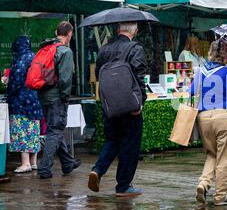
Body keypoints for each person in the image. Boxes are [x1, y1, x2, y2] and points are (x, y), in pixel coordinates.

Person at [88, 22, 147, 198]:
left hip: (110, 105)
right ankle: (123, 185)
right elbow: (139, 75)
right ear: (135, 31)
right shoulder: (135, 48)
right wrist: (140, 101)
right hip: (130, 105)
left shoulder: (104, 49)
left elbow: (98, 75)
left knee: (112, 140)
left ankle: (97, 170)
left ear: (117, 30)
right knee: (130, 144)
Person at [190, 38, 227, 206]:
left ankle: (203, 183)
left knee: (212, 154)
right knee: (225, 158)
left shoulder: (200, 71)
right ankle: (221, 196)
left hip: (204, 118)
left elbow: (192, 92)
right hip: (223, 117)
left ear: (211, 53)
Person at [37, 21, 81, 179]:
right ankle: (44, 168)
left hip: (43, 96)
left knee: (55, 129)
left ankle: (67, 163)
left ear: (57, 32)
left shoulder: (46, 48)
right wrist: (65, 97)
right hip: (57, 98)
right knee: (54, 131)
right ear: (69, 34)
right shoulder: (65, 51)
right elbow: (65, 79)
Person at [7, 36, 43, 173]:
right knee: (33, 131)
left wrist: (8, 88)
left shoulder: (20, 60)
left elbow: (15, 82)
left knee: (22, 131)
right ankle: (33, 162)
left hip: (22, 102)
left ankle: (25, 163)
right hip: (36, 100)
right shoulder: (35, 57)